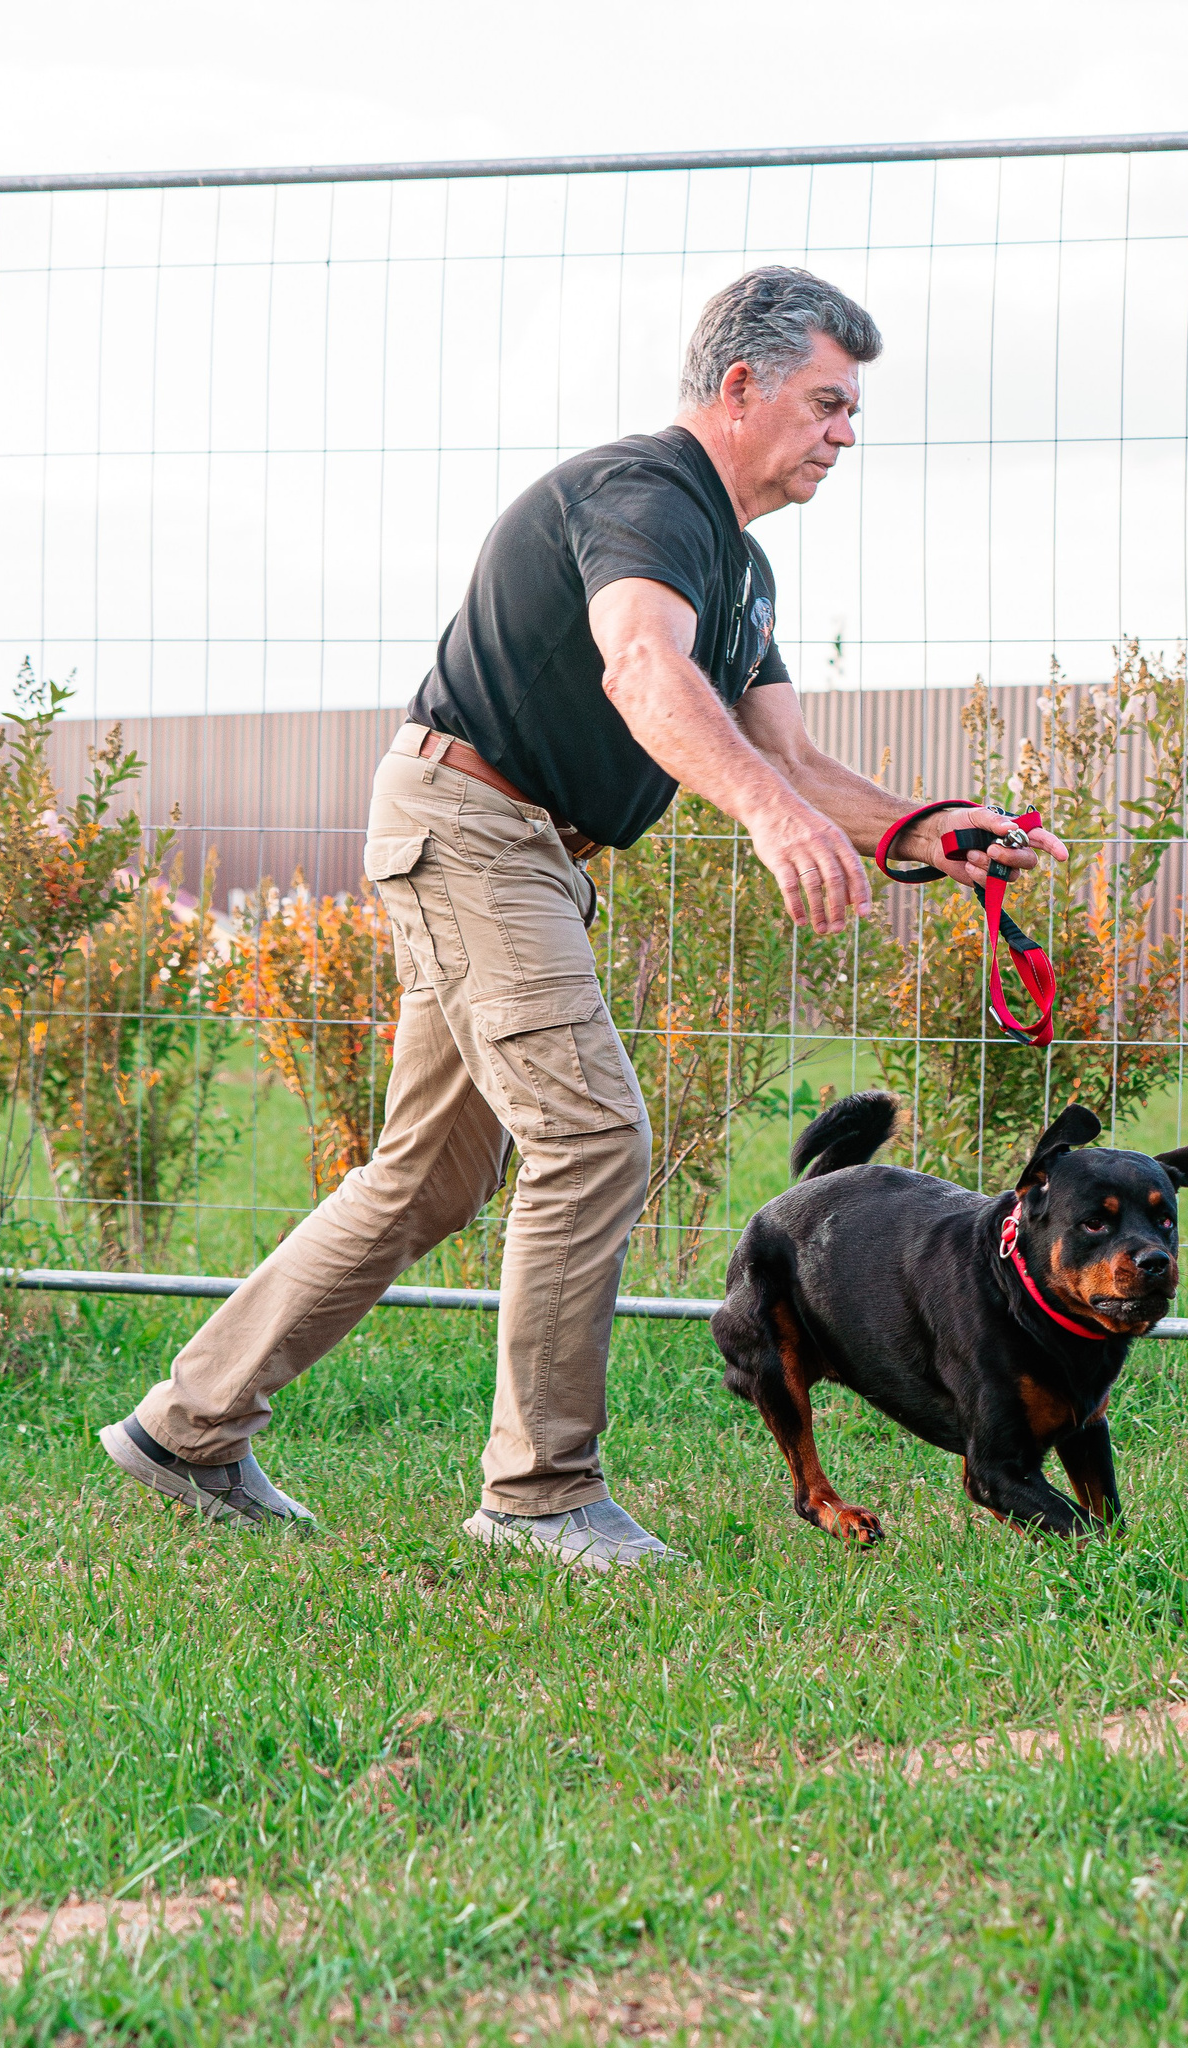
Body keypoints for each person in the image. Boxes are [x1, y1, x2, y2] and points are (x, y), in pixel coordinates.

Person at [98, 267, 1066, 1569]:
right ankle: (540, 1494)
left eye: (852, 412)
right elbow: (643, 670)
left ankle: (186, 1426)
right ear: (741, 387)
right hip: (473, 826)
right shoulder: (647, 498)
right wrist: (769, 823)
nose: (846, 434)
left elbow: (793, 758)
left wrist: (924, 831)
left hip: (525, 852)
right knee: (594, 1131)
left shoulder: (743, 568)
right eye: (828, 403)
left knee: (428, 1179)